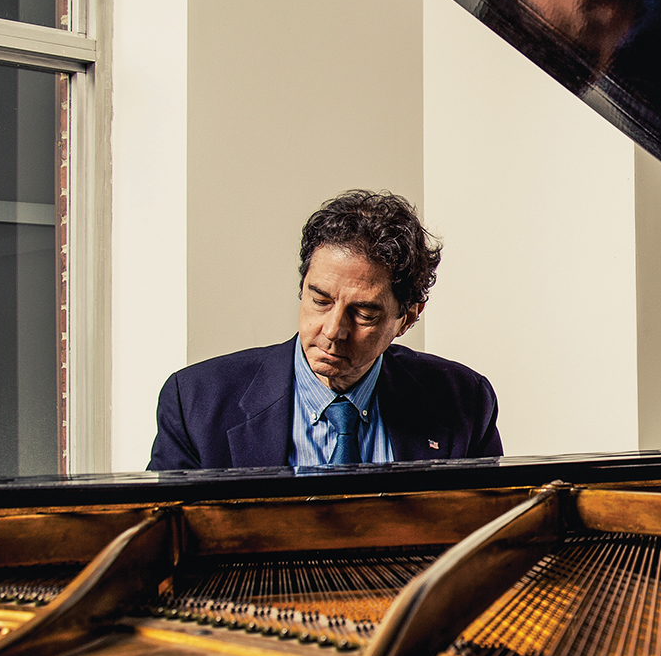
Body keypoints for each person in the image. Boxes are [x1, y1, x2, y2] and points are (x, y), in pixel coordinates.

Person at [148, 190, 501, 470]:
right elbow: (163, 547)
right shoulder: (195, 401)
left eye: (363, 313)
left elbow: (491, 543)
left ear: (407, 318)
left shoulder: (464, 400)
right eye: (320, 300)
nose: (333, 331)